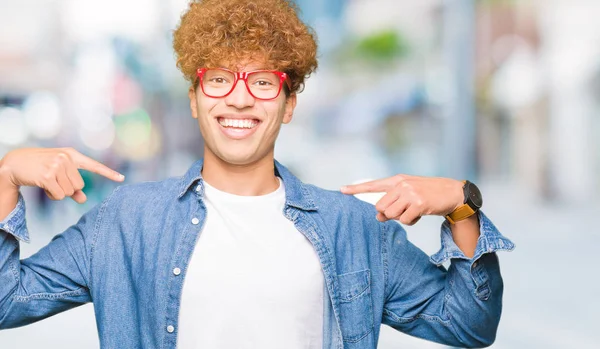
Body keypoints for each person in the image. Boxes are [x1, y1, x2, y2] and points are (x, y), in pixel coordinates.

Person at [0, 0, 514, 348]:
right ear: (195, 101)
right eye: (219, 79)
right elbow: (7, 301)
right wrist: (5, 180)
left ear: (288, 104)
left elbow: (468, 324)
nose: (240, 97)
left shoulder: (353, 227)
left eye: (264, 81)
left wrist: (461, 204)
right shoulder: (126, 222)